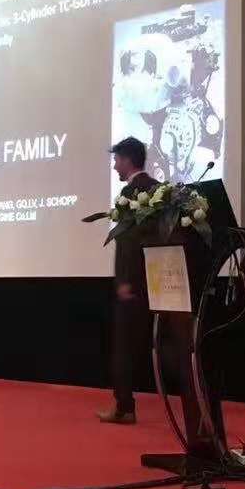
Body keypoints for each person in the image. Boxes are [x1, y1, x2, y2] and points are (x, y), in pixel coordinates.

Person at [98, 136, 159, 424]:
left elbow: (127, 243)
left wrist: (124, 280)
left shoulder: (131, 192)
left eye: (116, 160)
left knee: (123, 346)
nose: (114, 167)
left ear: (127, 160)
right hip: (157, 281)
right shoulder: (158, 190)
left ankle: (124, 407)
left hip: (134, 283)